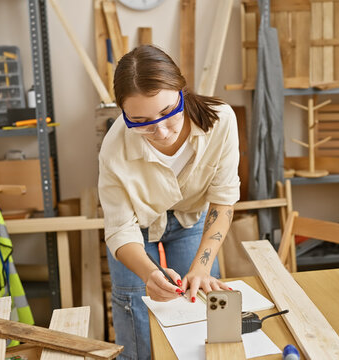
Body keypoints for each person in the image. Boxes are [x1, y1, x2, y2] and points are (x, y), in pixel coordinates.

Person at [98, 44, 240, 360]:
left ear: (181, 90)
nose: (161, 131)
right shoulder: (113, 148)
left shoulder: (221, 121)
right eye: (140, 121)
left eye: (167, 112)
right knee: (134, 310)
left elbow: (223, 198)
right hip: (138, 228)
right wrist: (150, 275)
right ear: (122, 112)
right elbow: (120, 229)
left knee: (201, 302)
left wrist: (202, 267)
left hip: (192, 220)